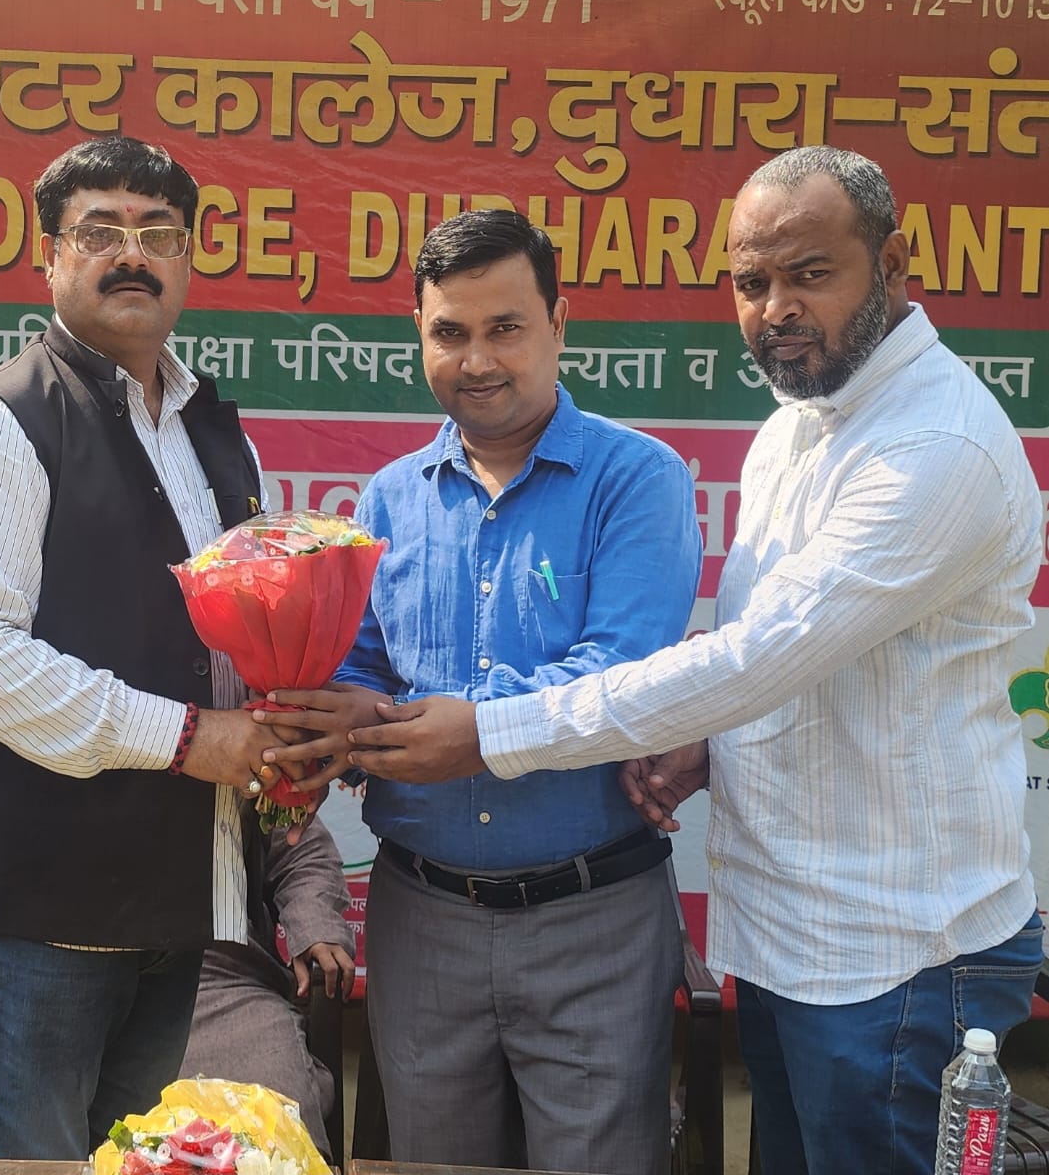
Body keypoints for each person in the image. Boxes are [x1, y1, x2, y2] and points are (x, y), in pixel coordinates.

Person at [330, 147, 1046, 1175]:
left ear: (892, 264)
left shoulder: (935, 445)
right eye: (752, 281)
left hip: (901, 947)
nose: (776, 308)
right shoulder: (797, 429)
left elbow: (758, 656)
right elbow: (772, 658)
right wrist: (706, 740)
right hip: (795, 938)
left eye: (809, 273)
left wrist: (485, 732)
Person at [259, 209, 703, 1174]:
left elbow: (622, 675)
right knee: (432, 1162)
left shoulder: (639, 479)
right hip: (423, 917)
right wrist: (328, 723)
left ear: (558, 323)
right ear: (419, 336)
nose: (477, 360)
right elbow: (363, 665)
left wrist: (465, 729)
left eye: (505, 328)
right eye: (449, 333)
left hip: (592, 918)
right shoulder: (389, 497)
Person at [0, 137, 296, 1160]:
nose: (132, 255)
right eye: (100, 232)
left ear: (189, 256)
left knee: (125, 1159)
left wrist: (284, 725)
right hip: (37, 908)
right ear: (50, 256)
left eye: (158, 234)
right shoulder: (0, 423)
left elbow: (234, 637)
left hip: (170, 904)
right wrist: (188, 738)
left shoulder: (217, 434)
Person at [180, 814, 355, 1160]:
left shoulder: (234, 779)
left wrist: (313, 922)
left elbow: (301, 850)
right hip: (91, 978)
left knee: (277, 1124)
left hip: (221, 976)